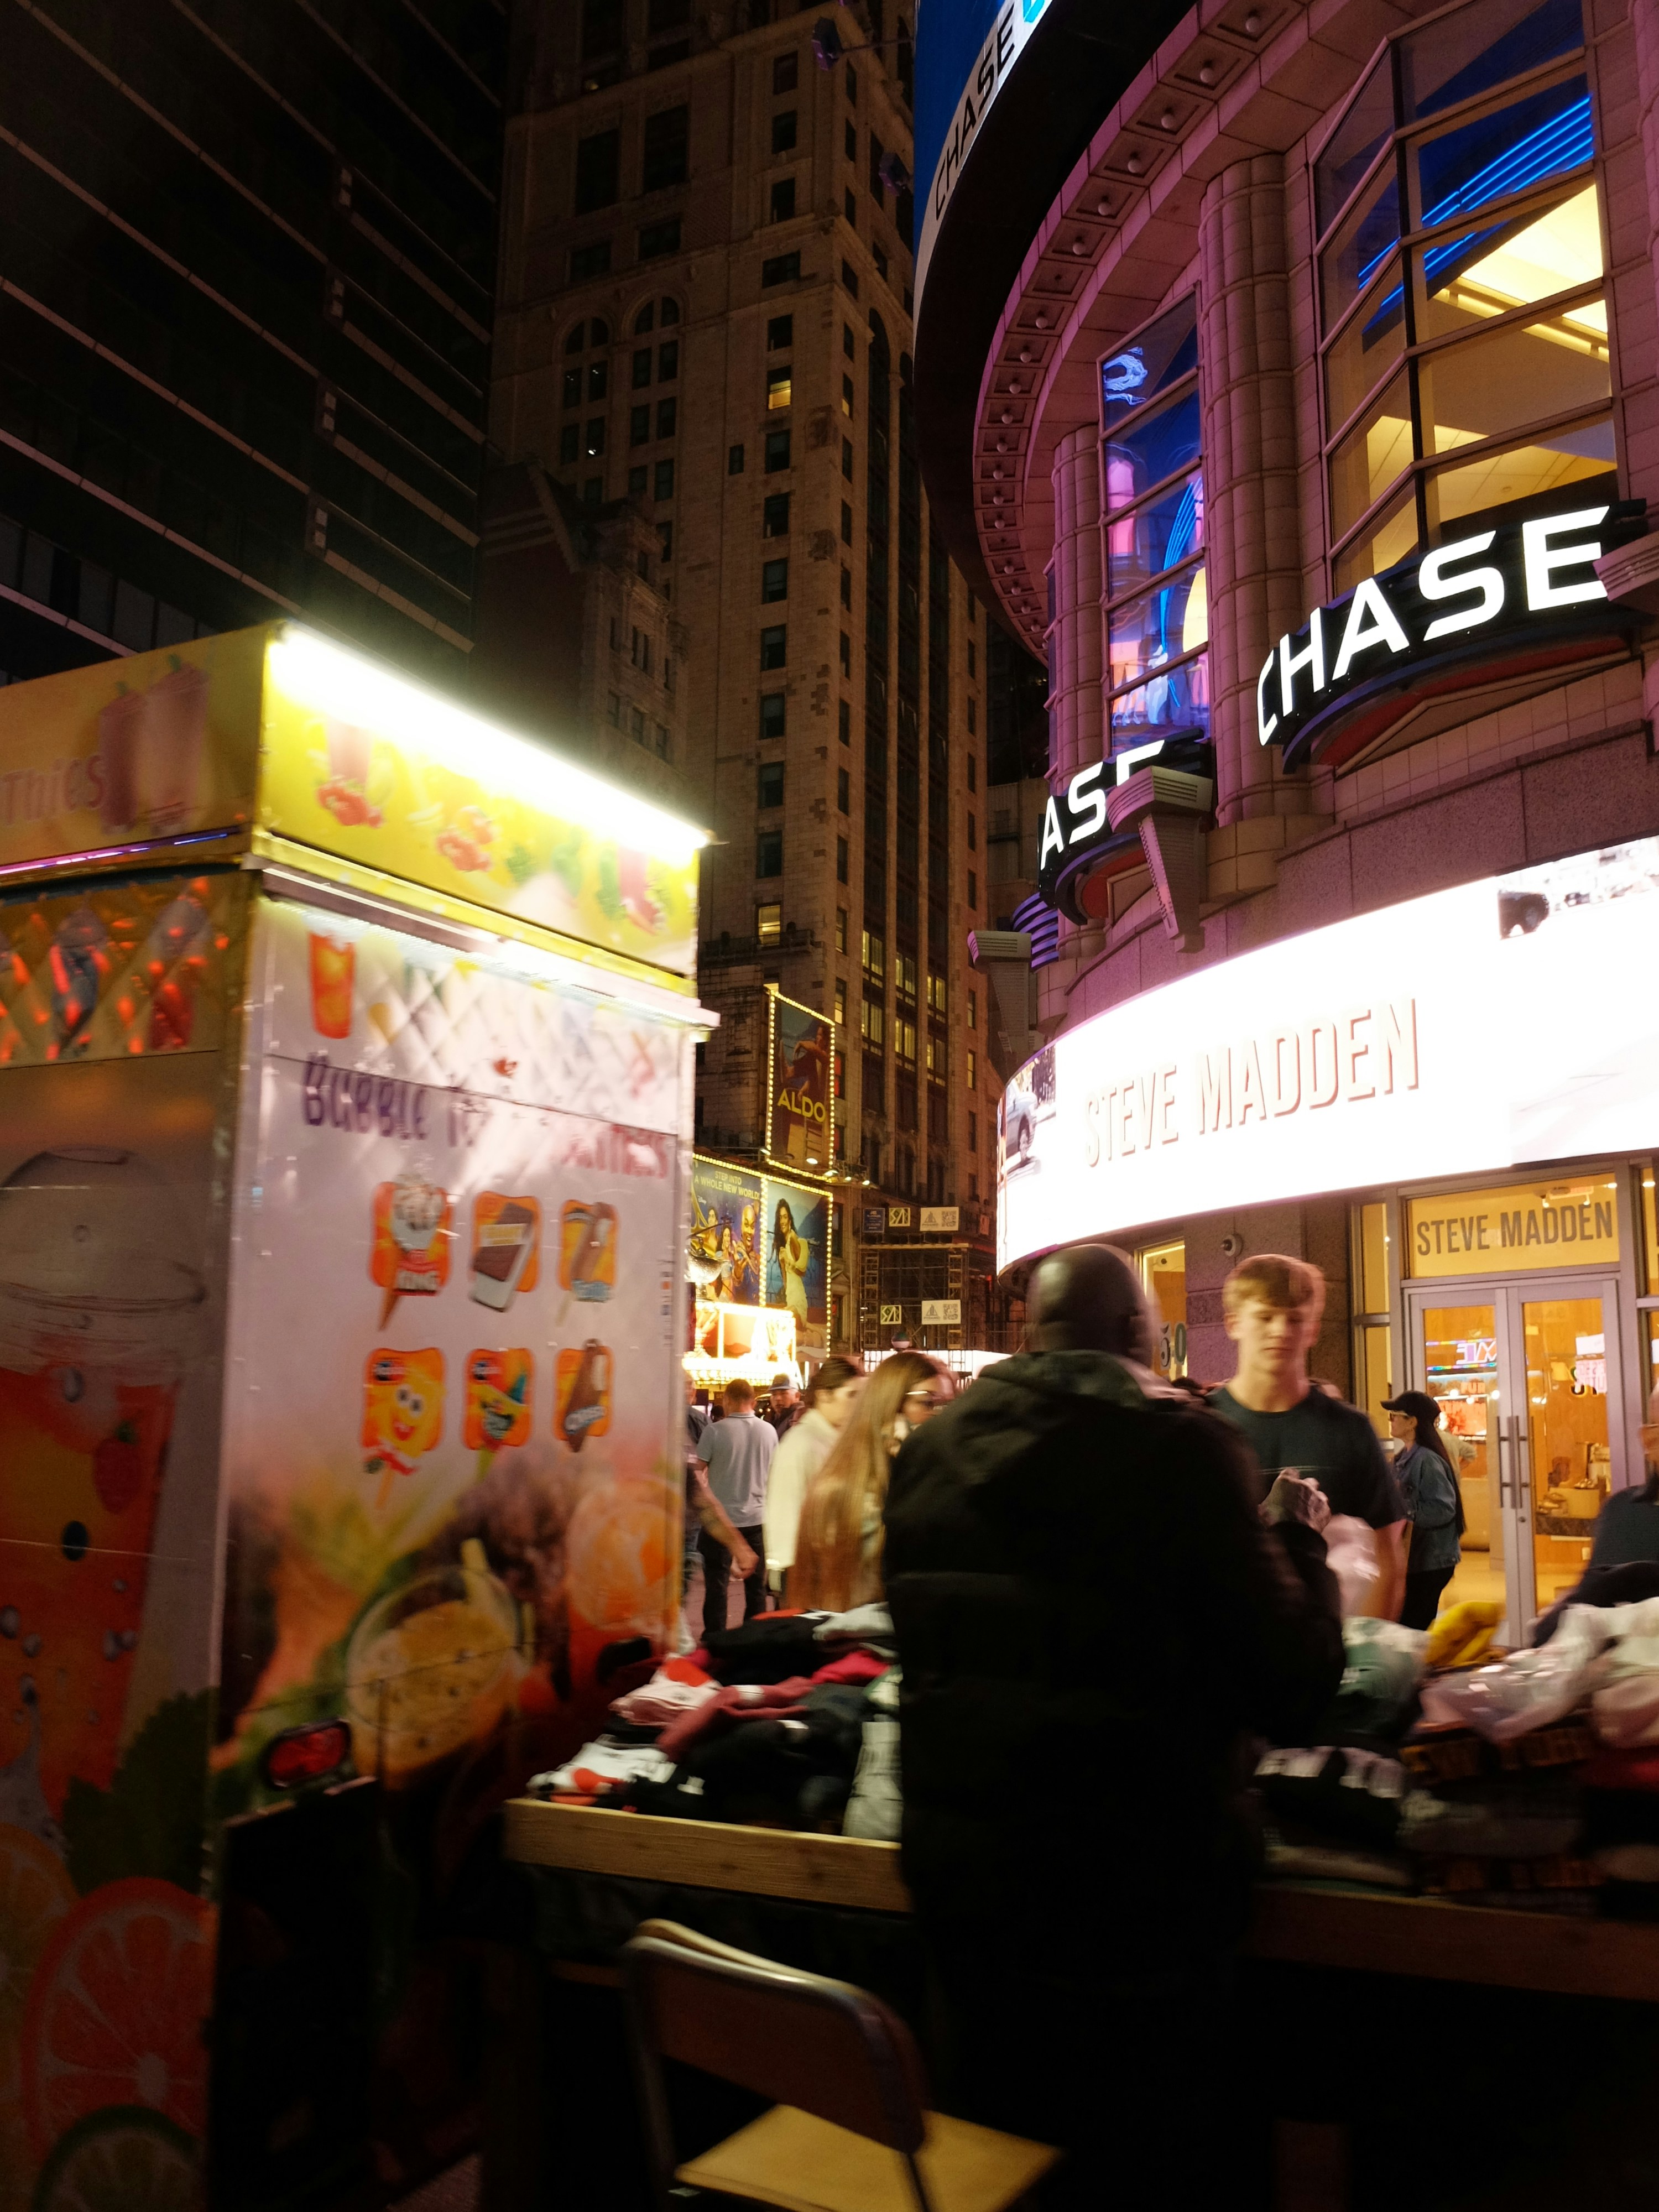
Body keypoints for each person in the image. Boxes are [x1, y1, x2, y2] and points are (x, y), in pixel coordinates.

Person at [883, 1243, 1343, 2209]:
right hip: (1136, 1901)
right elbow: (1288, 1685)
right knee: (1142, 2163)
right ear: (1140, 1334)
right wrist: (1296, 1538)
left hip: (966, 1894)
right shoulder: (1181, 1450)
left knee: (993, 2154)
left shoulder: (930, 1449)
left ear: (1032, 1331)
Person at [1210, 1252, 1407, 1620]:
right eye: (1266, 1316)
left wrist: (1366, 1658)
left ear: (1313, 1329)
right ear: (1233, 1324)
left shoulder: (1350, 1429)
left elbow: (1389, 1557)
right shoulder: (1201, 1427)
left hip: (1328, 1651)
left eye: (1296, 1318)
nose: (1281, 1331)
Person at [789, 1353, 947, 1611]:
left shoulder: (916, 1480)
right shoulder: (850, 1494)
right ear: (891, 1409)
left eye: (946, 1406)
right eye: (928, 1403)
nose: (939, 1417)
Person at [763, 1357, 862, 1594]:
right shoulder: (802, 1443)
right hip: (808, 1575)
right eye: (851, 1395)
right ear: (824, 1395)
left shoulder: (838, 1440)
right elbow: (785, 1514)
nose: (859, 1404)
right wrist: (788, 1572)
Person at [692, 1378, 774, 1634]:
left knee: (717, 1585)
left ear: (727, 1400)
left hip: (721, 1523)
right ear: (752, 1401)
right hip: (758, 1519)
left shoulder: (715, 1431)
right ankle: (753, 1640)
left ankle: (715, 1639)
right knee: (757, 1589)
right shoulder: (769, 1431)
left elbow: (696, 1473)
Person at [1383, 1390, 1464, 1629]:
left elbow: (1442, 1509)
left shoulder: (1426, 1460)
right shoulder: (1404, 1458)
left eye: (1395, 1415)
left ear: (1413, 1422)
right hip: (1417, 1560)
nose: (1391, 1421)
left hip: (1430, 1563)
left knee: (1412, 1628)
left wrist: (1401, 1510)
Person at [771, 1199, 810, 1323]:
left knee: (784, 1317)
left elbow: (801, 1270)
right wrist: (783, 1263)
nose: (782, 1221)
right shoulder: (783, 1247)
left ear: (790, 1220)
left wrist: (788, 1260)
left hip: (798, 1302)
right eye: (780, 1218)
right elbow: (787, 1283)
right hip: (790, 1299)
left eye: (785, 1217)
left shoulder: (797, 1241)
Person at [765, 1370, 802, 1442]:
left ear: (797, 1396)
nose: (778, 1399)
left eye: (783, 1393)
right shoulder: (773, 1418)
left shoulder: (799, 1419)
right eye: (774, 1394)